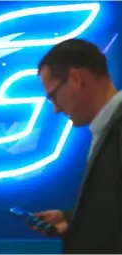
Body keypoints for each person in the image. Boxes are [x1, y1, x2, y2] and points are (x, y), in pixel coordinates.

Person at [30, 39, 122, 254]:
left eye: (52, 96)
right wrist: (74, 221)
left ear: (76, 79)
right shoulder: (105, 129)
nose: (55, 109)